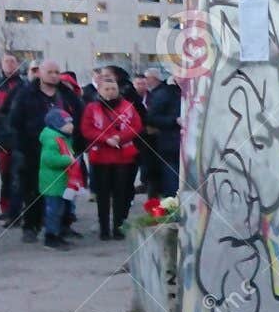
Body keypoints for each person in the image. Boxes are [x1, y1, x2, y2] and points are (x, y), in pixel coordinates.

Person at [8, 59, 84, 243]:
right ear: (39, 73)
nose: (54, 75)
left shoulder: (67, 95)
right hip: (33, 150)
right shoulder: (26, 94)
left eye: (57, 72)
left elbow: (80, 118)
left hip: (64, 150)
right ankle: (31, 226)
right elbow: (15, 121)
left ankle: (63, 225)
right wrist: (23, 146)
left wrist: (78, 146)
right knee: (32, 190)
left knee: (65, 190)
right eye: (49, 72)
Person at [81, 69, 144, 239]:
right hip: (100, 156)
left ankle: (118, 227)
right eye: (107, 89)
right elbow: (87, 129)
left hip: (123, 157)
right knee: (102, 195)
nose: (111, 92)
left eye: (113, 89)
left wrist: (120, 137)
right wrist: (105, 139)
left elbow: (136, 126)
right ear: (100, 91)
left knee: (120, 193)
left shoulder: (127, 107)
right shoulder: (91, 108)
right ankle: (104, 228)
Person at [38, 107, 82, 251]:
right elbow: (49, 159)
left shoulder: (62, 138)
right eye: (66, 123)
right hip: (53, 183)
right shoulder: (52, 140)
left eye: (71, 123)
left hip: (60, 182)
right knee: (54, 211)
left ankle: (58, 233)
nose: (71, 126)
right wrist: (68, 160)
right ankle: (50, 237)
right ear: (56, 125)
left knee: (59, 210)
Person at [0, 54, 24, 224]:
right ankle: (6, 207)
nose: (10, 64)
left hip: (19, 137)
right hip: (1, 137)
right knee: (5, 174)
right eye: (6, 62)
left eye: (13, 61)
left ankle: (17, 208)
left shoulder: (24, 85)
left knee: (18, 173)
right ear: (1, 65)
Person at [143, 66, 182, 197]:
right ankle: (171, 205)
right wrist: (174, 120)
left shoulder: (191, 92)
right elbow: (151, 118)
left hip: (188, 145)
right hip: (170, 144)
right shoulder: (165, 93)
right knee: (172, 180)